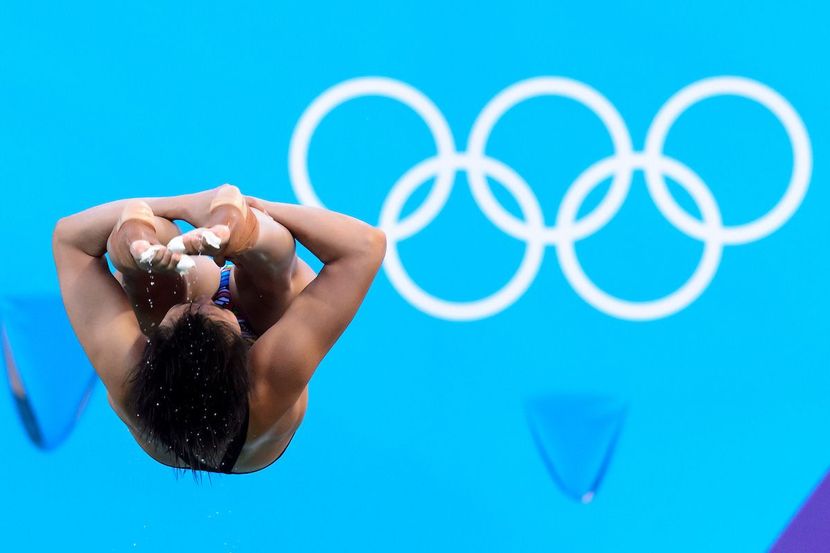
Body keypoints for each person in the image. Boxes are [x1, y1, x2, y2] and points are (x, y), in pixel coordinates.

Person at [52, 184, 386, 477]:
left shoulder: (130, 375)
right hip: (249, 408)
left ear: (151, 354)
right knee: (274, 272)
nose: (206, 299)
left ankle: (137, 242)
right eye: (216, 310)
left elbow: (70, 240)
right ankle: (241, 230)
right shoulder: (270, 379)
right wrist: (256, 209)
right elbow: (365, 247)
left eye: (185, 311)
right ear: (245, 351)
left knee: (148, 271)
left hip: (170, 379)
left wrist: (174, 208)